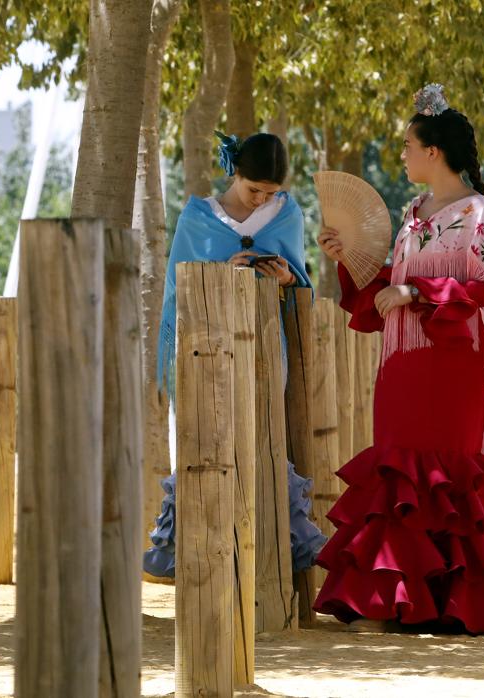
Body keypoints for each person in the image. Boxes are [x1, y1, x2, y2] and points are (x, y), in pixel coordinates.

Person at [312, 84, 484, 633]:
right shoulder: (413, 212)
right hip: (403, 360)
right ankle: (391, 601)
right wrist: (348, 259)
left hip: (454, 360)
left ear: (433, 152)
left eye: (408, 146)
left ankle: (454, 605)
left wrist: (414, 292)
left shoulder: (482, 213)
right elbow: (390, 284)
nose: (402, 155)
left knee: (446, 469)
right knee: (396, 464)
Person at [144, 131, 327, 579]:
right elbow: (178, 285)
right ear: (235, 174)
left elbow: (302, 280)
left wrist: (286, 278)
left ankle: (267, 555)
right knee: (207, 435)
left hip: (265, 346)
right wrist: (221, 272)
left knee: (262, 433)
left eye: (269, 192)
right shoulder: (196, 218)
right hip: (205, 348)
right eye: (253, 189)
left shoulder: (288, 214)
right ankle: (198, 557)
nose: (261, 199)